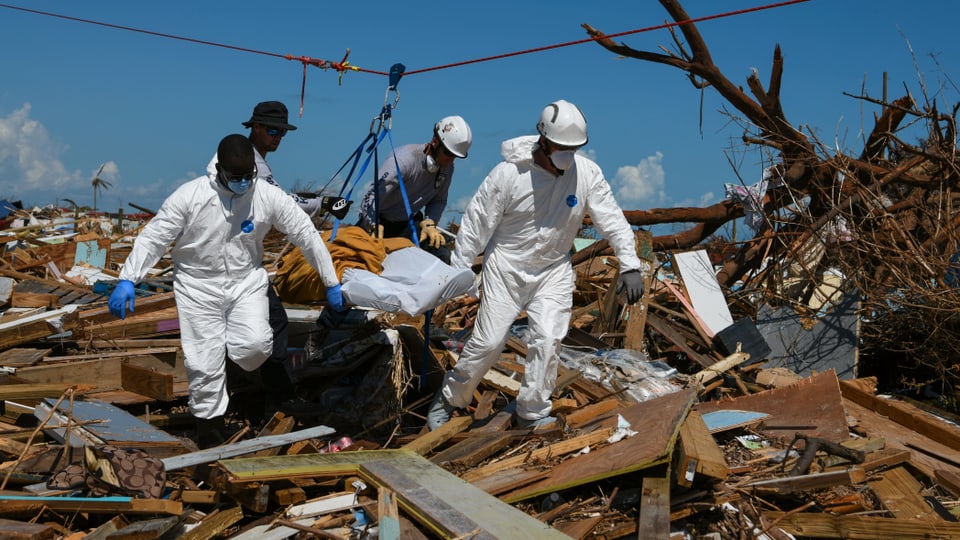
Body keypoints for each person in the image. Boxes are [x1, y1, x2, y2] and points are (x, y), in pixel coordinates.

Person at [109, 133, 344, 449]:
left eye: (248, 177)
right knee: (203, 364)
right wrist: (128, 279)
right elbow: (155, 237)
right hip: (198, 287)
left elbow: (306, 234)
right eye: (236, 178)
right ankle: (210, 429)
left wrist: (330, 281)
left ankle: (231, 367)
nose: (243, 183)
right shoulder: (190, 196)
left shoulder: (266, 195)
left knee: (257, 345)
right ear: (218, 170)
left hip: (245, 282)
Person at [427, 100, 647, 431]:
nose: (568, 156)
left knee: (547, 340)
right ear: (543, 140)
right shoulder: (508, 174)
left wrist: (630, 264)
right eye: (562, 148)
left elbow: (613, 220)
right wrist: (459, 272)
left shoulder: (586, 174)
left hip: (553, 269)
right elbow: (476, 224)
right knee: (488, 343)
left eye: (574, 149)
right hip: (506, 268)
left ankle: (531, 412)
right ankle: (450, 397)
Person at [205, 101, 350, 423]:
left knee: (255, 326)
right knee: (271, 323)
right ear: (254, 127)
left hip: (234, 261)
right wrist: (324, 203)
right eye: (272, 131)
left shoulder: (249, 160)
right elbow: (283, 202)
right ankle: (276, 400)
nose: (277, 138)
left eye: (281, 133)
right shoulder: (247, 162)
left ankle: (244, 396)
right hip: (233, 264)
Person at [357, 115, 472, 264]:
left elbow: (439, 200)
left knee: (442, 255)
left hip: (406, 225)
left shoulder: (447, 168)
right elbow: (371, 196)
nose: (451, 160)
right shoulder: (403, 161)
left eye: (455, 156)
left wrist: (430, 222)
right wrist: (371, 224)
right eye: (448, 154)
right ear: (434, 142)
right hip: (377, 224)